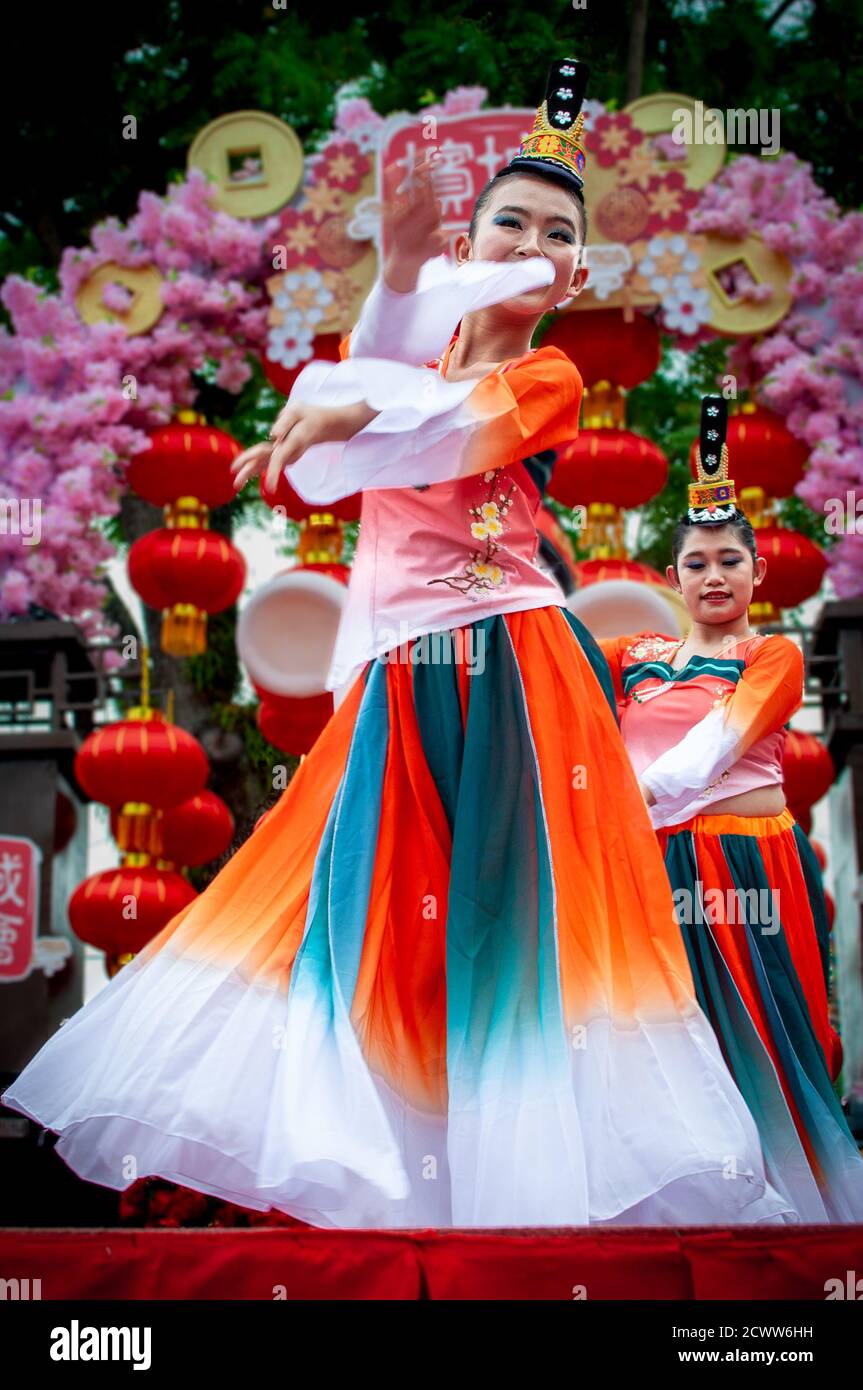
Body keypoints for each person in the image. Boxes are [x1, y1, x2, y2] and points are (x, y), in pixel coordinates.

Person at [2, 61, 800, 1228]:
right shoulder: (409, 370)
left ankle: (534, 1179)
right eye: (508, 221)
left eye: (554, 233)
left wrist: (345, 400)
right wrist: (395, 286)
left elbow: (435, 436)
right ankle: (400, 1162)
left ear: (573, 272)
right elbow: (336, 456)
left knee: (513, 921)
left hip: (512, 674)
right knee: (363, 907)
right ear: (473, 242)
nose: (530, 240)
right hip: (400, 680)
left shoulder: (548, 374)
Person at [598, 395, 863, 1222]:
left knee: (758, 1019)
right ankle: (692, 1194)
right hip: (648, 863)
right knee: (660, 1023)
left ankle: (784, 1189)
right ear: (670, 578)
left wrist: (628, 796)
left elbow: (719, 742)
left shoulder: (771, 654)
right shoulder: (630, 656)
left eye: (727, 562)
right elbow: (553, 694)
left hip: (745, 860)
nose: (712, 577)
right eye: (695, 564)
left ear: (756, 573)